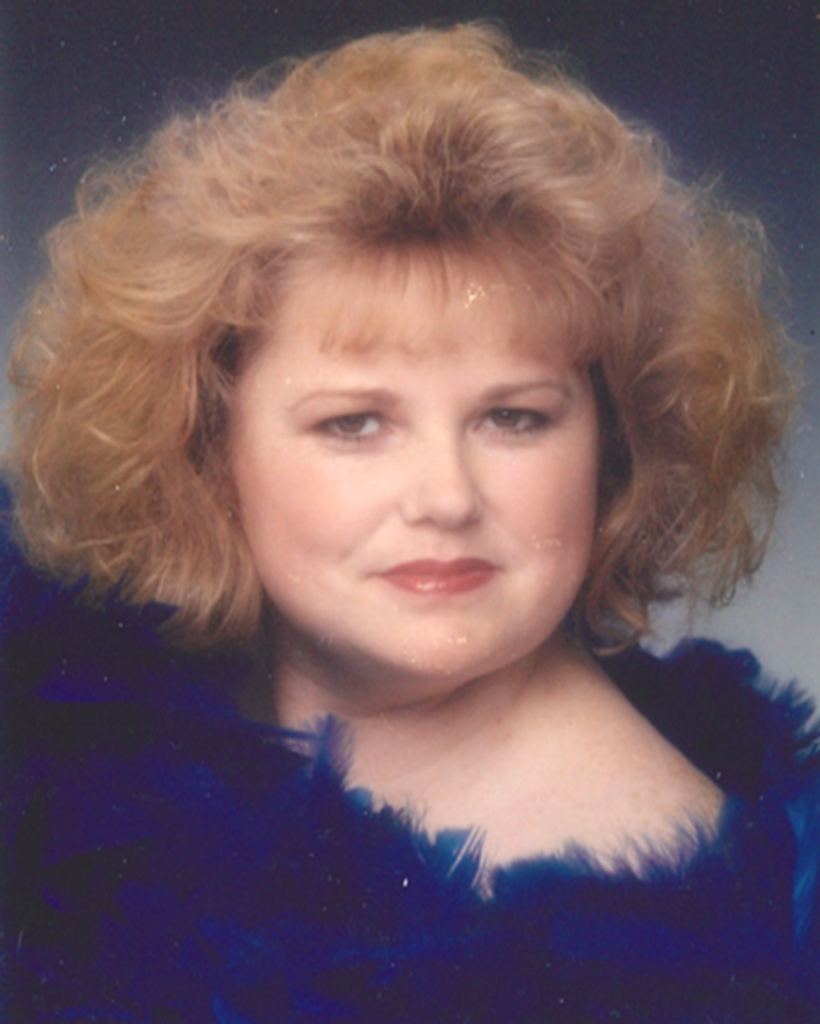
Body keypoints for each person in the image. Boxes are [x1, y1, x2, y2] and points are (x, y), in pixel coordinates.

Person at [2, 22, 818, 1024]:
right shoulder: (63, 722)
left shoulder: (676, 933)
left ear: (611, 450)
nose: (445, 496)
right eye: (355, 423)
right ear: (207, 448)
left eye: (513, 418)